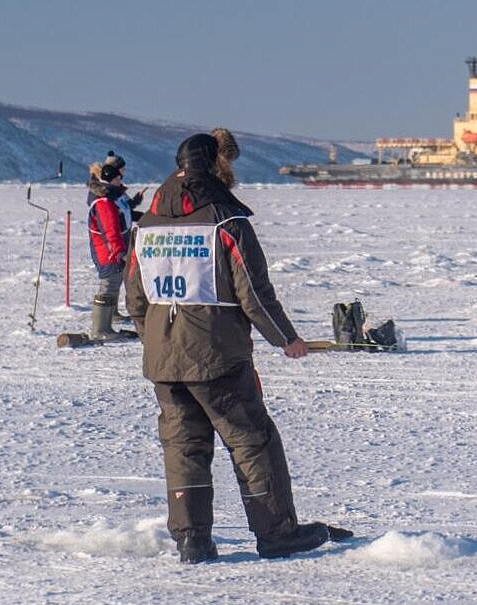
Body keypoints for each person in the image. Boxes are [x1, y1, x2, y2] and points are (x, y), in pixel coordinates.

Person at [124, 132, 350, 564]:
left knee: (183, 444)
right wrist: (287, 339)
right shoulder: (226, 221)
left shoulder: (147, 223)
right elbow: (254, 294)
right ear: (216, 167)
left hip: (162, 358)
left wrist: (155, 339)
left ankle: (192, 539)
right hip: (216, 356)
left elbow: (135, 299)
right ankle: (276, 531)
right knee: (252, 440)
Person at [86, 152, 143, 341]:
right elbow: (110, 231)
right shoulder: (104, 202)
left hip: (113, 250)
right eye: (119, 177)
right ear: (112, 179)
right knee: (108, 284)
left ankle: (107, 325)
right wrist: (120, 253)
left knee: (114, 283)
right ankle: (100, 330)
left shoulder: (111, 198)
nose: (122, 179)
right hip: (108, 252)